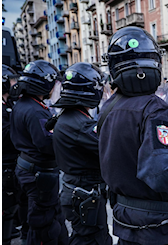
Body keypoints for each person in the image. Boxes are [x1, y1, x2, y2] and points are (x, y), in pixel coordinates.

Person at [99, 26, 168, 245]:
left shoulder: (109, 107)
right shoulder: (153, 107)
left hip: (126, 220)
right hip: (155, 227)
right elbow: (165, 173)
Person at [48, 63, 113, 245]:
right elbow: (109, 149)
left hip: (76, 189)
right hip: (84, 192)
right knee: (91, 240)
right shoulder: (81, 125)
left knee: (86, 237)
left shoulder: (67, 116)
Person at [9, 60, 69, 245]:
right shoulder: (36, 111)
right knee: (43, 224)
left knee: (52, 217)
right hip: (38, 173)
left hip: (29, 168)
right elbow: (46, 145)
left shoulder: (23, 104)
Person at [2, 65, 22, 245]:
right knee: (6, 208)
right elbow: (6, 135)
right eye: (11, 80)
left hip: (11, 162)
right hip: (5, 164)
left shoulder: (8, 104)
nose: (14, 84)